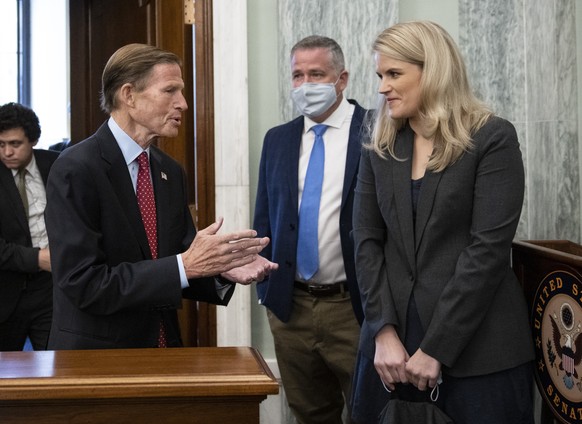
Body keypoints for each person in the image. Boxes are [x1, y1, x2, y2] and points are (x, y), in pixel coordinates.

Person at [351, 21, 534, 423]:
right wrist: (382, 331)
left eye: (394, 74)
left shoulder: (491, 138)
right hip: (389, 355)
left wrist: (437, 347)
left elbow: (486, 252)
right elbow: (365, 240)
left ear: (432, 71)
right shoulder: (378, 144)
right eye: (380, 75)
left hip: (478, 355)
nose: (382, 87)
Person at [45, 43, 277, 350]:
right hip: (98, 359)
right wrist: (187, 265)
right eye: (170, 90)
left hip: (164, 349)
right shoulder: (76, 168)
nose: (183, 103)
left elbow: (177, 259)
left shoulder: (168, 170)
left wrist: (221, 268)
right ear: (129, 95)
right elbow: (83, 284)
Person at [253, 35, 368, 423]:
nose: (305, 85)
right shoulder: (278, 139)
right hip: (292, 309)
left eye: (316, 74)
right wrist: (267, 290)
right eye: (298, 75)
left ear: (342, 78)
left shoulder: (376, 131)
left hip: (355, 308)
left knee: (373, 411)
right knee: (309, 414)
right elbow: (264, 219)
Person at [0, 102, 58, 351]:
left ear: (32, 140)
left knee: (57, 367)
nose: (6, 152)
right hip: (6, 294)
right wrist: (38, 259)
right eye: (1, 144)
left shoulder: (57, 165)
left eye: (15, 144)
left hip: (52, 291)